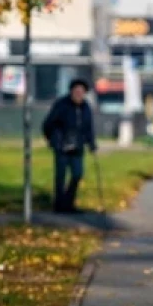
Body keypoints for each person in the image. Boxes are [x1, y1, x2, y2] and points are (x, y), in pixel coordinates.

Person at [42, 79, 96, 214]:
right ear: (71, 91)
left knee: (77, 174)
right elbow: (48, 123)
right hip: (61, 146)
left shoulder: (86, 107)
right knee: (60, 176)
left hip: (77, 146)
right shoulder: (61, 104)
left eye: (82, 91)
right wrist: (52, 139)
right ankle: (59, 205)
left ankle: (68, 202)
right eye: (76, 91)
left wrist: (91, 143)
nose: (79, 94)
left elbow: (88, 128)